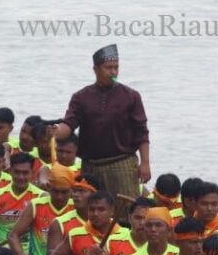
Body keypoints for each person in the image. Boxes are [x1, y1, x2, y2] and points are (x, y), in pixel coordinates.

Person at [53, 45, 150, 201]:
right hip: (91, 166)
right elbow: (69, 124)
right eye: (108, 68)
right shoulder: (81, 97)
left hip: (123, 164)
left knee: (125, 211)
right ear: (95, 69)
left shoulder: (131, 96)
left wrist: (145, 163)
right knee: (91, 211)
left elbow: (142, 132)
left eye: (116, 67)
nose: (113, 72)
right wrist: (54, 133)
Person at [7, 163, 76, 255]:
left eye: (64, 192)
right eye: (55, 191)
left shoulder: (77, 207)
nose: (59, 197)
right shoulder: (36, 205)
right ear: (48, 187)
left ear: (72, 190)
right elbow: (13, 235)